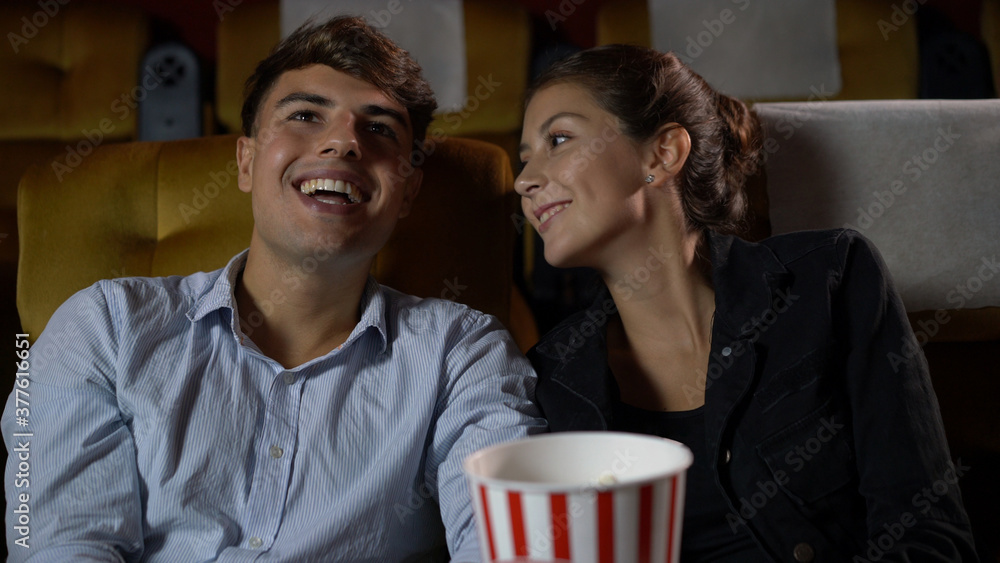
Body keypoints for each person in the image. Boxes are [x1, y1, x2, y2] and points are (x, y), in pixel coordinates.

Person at [3, 16, 544, 562]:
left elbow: (506, 545)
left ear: (407, 192)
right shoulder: (104, 325)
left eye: (379, 128)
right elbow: (64, 546)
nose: (343, 142)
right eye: (306, 115)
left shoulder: (462, 353)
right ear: (246, 161)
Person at [516, 44, 978, 562]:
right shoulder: (551, 381)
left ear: (661, 154)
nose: (524, 180)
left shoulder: (829, 280)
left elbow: (931, 536)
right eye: (524, 157)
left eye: (558, 139)